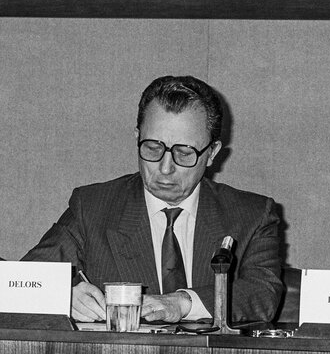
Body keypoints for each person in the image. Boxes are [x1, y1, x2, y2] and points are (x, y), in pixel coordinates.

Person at [22, 75, 283, 325]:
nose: (165, 167)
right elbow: (20, 281)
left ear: (212, 152)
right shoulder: (91, 207)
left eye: (184, 153)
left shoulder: (253, 215)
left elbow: (263, 294)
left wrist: (182, 304)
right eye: (153, 148)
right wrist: (61, 296)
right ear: (137, 137)